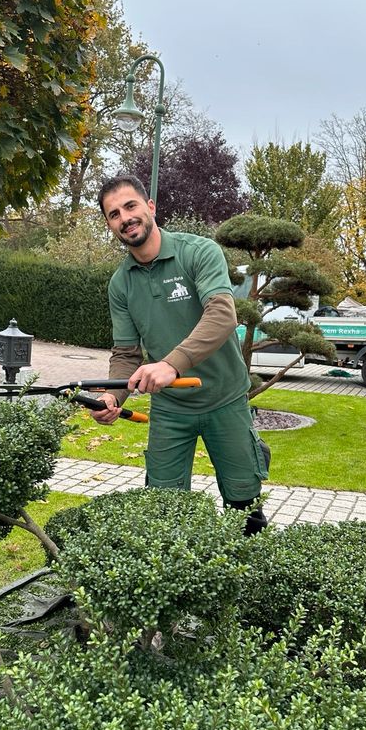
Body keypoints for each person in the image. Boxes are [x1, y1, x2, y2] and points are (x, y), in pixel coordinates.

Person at [91, 173, 268, 535]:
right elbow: (126, 354)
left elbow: (221, 315)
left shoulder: (198, 252)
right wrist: (112, 395)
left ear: (150, 207)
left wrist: (172, 364)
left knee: (243, 503)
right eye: (113, 214)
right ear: (110, 225)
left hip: (225, 399)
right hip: (171, 409)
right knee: (164, 510)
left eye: (130, 206)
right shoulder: (120, 284)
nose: (124, 218)